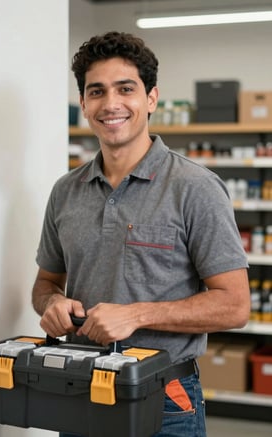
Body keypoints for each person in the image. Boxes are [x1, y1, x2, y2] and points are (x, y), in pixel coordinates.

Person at [32, 31, 250, 437]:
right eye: (97, 91)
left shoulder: (195, 187)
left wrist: (136, 314)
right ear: (83, 104)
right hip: (80, 388)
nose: (111, 104)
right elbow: (44, 284)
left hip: (164, 396)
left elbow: (235, 305)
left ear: (150, 99)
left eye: (125, 89)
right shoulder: (65, 191)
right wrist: (53, 304)